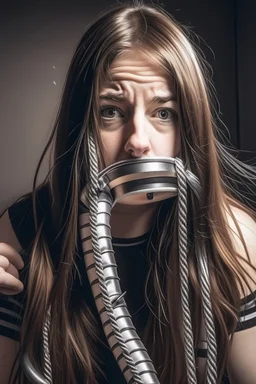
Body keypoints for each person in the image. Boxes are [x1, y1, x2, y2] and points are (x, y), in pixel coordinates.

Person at [0, 2, 256, 383]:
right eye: (110, 111)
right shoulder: (22, 234)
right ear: (79, 122)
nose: (138, 141)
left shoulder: (232, 239)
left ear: (190, 126)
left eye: (163, 113)